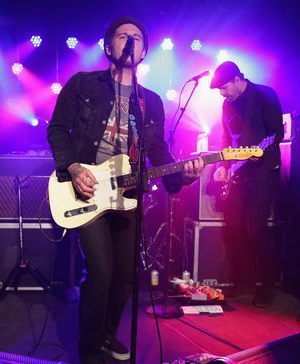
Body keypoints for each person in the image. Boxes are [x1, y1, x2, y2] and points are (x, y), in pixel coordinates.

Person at [47, 16, 203, 363]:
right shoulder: (83, 85)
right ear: (108, 46)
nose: (129, 40)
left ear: (145, 51)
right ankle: (88, 350)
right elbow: (57, 129)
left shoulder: (151, 102)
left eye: (136, 37)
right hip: (86, 189)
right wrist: (72, 168)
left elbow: (159, 152)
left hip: (128, 195)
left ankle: (105, 335)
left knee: (124, 277)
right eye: (122, 36)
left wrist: (185, 174)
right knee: (101, 271)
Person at [210, 61, 284, 307]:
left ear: (237, 80)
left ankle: (268, 285)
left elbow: (276, 132)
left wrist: (260, 150)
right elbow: (225, 137)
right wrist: (222, 165)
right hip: (238, 172)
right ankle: (243, 281)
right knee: (234, 228)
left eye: (223, 87)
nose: (222, 93)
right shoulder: (227, 105)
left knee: (256, 230)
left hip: (263, 172)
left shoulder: (264, 94)